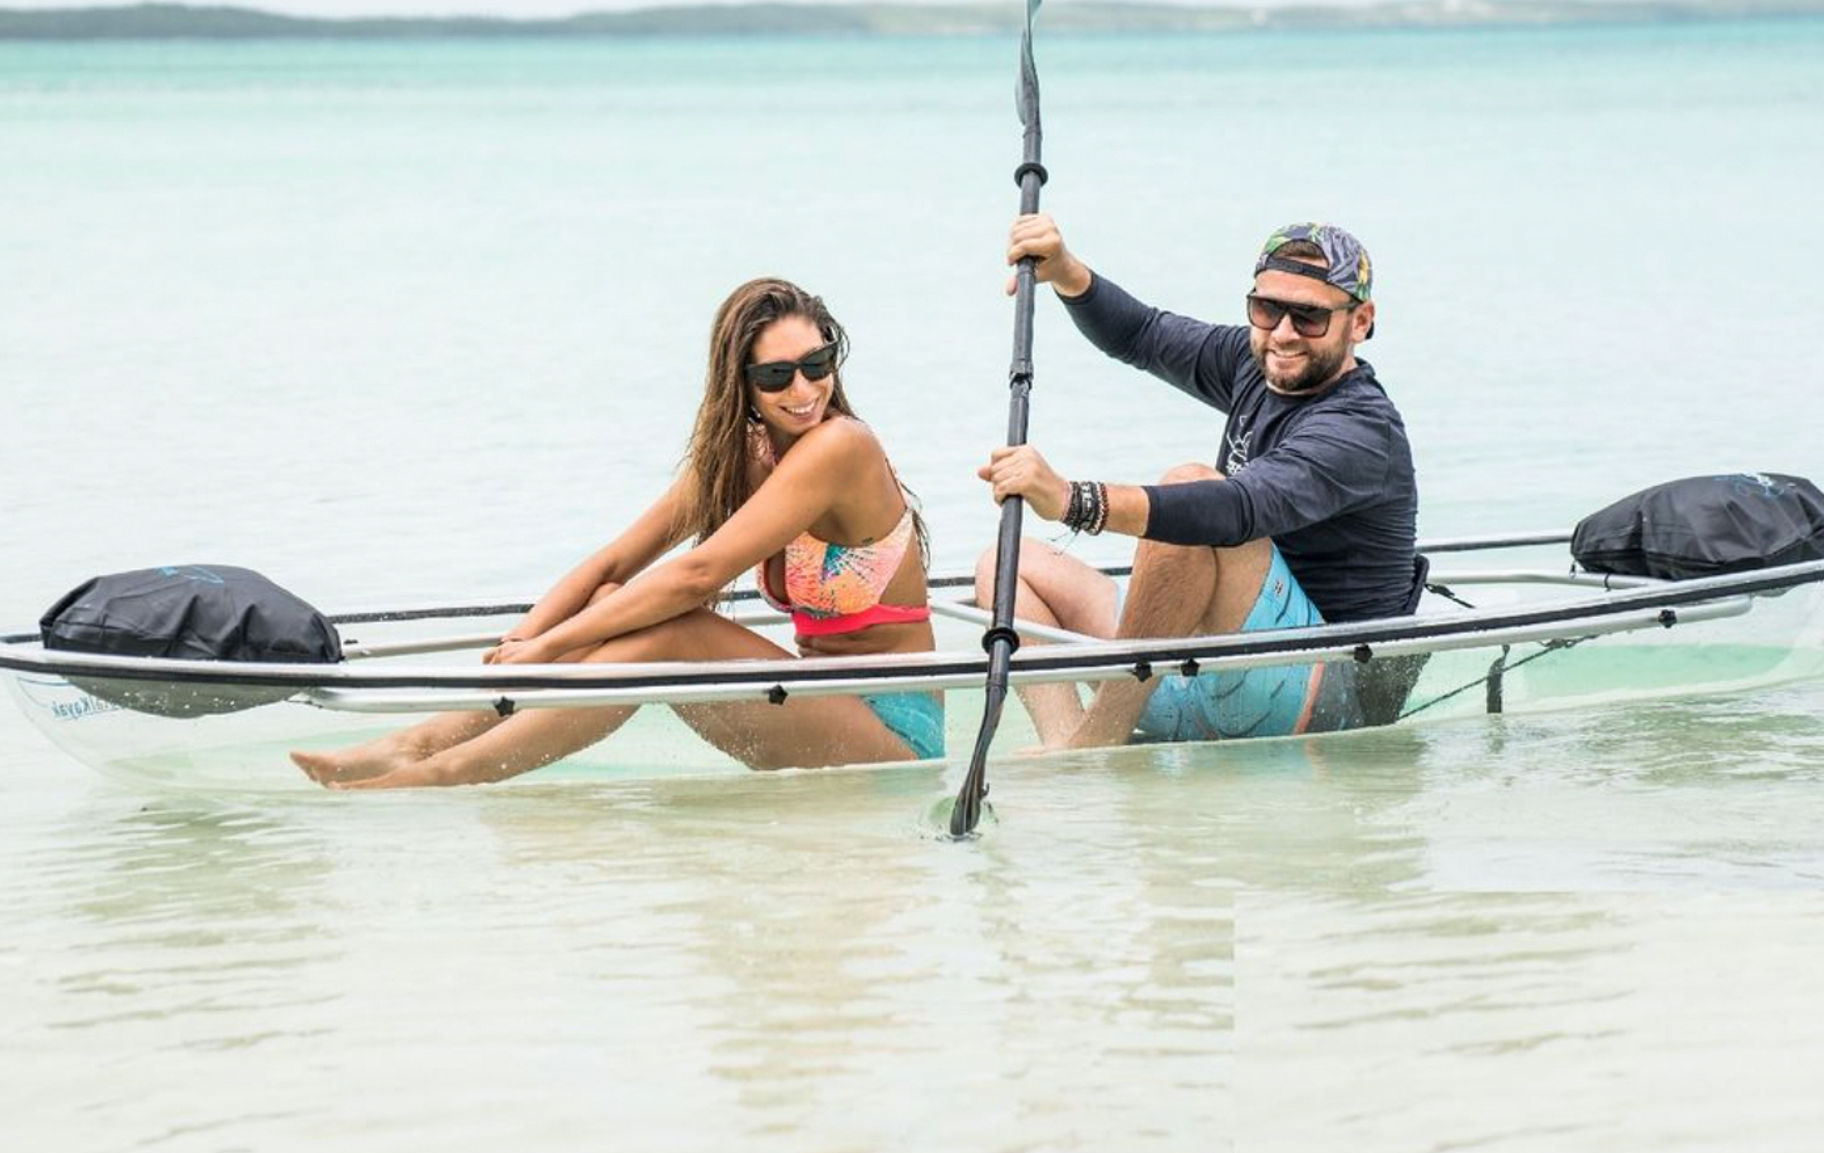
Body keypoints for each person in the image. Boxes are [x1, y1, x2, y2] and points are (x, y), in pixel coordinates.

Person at [293, 278, 941, 788]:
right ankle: (418, 746)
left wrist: (548, 650)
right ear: (741, 386)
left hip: (888, 732)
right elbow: (613, 562)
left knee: (678, 625)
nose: (804, 389)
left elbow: (697, 576)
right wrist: (525, 639)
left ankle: (441, 775)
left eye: (817, 362)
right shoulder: (744, 457)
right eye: (776, 375)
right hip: (815, 703)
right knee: (611, 604)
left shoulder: (843, 445)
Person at [976, 217, 1420, 750]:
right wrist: (1066, 272)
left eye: (1309, 317)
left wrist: (1074, 500)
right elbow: (1141, 335)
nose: (1282, 332)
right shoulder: (1251, 364)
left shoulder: (1362, 428)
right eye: (1266, 308)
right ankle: (1064, 743)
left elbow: (1234, 510)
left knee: (1193, 490)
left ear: (1360, 322)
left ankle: (1095, 744)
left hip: (1321, 696)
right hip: (1198, 671)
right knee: (1004, 562)